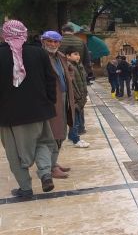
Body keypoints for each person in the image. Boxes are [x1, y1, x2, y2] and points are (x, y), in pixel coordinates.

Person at [0, 20, 58, 197]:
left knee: (14, 153)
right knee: (42, 143)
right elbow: (50, 79)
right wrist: (50, 102)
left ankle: (25, 188)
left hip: (8, 116)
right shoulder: (38, 52)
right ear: (24, 33)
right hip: (39, 111)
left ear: (4, 34)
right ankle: (46, 173)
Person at [42, 31, 75, 179]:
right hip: (50, 101)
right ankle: (50, 167)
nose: (52, 44)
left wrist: (70, 77)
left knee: (61, 132)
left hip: (64, 97)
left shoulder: (60, 57)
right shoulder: (40, 57)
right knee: (52, 135)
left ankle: (54, 163)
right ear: (43, 41)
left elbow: (70, 70)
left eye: (56, 42)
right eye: (49, 41)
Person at [64, 48, 90, 148]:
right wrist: (77, 96)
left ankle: (72, 137)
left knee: (77, 119)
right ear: (68, 56)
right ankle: (76, 140)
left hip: (81, 97)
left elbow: (83, 81)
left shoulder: (79, 65)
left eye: (78, 54)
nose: (78, 56)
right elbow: (72, 84)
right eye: (75, 54)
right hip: (74, 98)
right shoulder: (68, 66)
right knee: (75, 120)